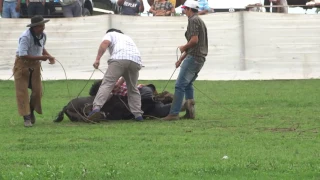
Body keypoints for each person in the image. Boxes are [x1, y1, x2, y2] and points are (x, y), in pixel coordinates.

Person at [163, 0, 208, 120]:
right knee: (188, 85)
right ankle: (190, 113)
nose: (183, 11)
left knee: (179, 85)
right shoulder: (199, 20)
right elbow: (194, 45)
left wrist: (183, 47)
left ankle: (174, 113)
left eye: (185, 9)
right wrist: (181, 59)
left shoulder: (193, 20)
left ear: (189, 9)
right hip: (199, 58)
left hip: (194, 57)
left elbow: (194, 41)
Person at [87, 28, 144, 121]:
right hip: (136, 61)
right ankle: (138, 115)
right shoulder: (127, 37)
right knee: (133, 88)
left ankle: (96, 109)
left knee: (107, 84)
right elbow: (127, 67)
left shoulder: (110, 34)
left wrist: (97, 59)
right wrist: (119, 84)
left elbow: (105, 43)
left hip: (119, 58)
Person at [14, 15, 56, 127]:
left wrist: (49, 56)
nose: (43, 28)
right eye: (41, 26)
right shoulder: (25, 37)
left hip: (35, 66)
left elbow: (41, 48)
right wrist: (41, 58)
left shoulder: (43, 36)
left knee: (38, 92)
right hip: (22, 66)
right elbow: (23, 54)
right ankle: (26, 118)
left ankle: (31, 110)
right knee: (22, 92)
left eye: (43, 26)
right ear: (35, 27)